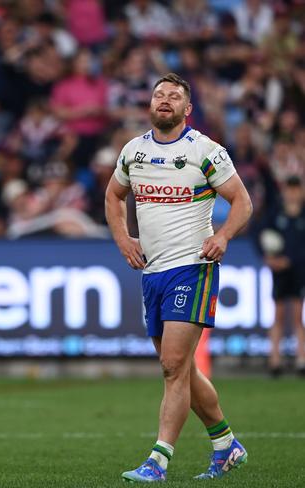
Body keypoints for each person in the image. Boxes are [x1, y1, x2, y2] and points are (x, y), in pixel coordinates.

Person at [105, 73, 253, 482]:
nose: (164, 100)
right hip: (152, 272)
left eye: (174, 96)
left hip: (193, 267)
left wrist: (223, 235)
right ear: (150, 105)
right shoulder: (133, 152)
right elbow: (113, 196)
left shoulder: (205, 151)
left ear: (188, 110)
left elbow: (242, 200)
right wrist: (123, 238)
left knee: (172, 365)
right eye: (159, 95)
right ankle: (226, 445)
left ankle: (158, 459)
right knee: (180, 368)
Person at [257, 175, 305, 377]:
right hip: (279, 271)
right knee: (277, 314)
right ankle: (274, 360)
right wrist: (268, 258)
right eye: (289, 189)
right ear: (284, 191)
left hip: (299, 270)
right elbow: (258, 233)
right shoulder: (275, 213)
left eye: (296, 190)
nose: (292, 194)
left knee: (297, 314)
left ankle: (301, 359)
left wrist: (291, 260)